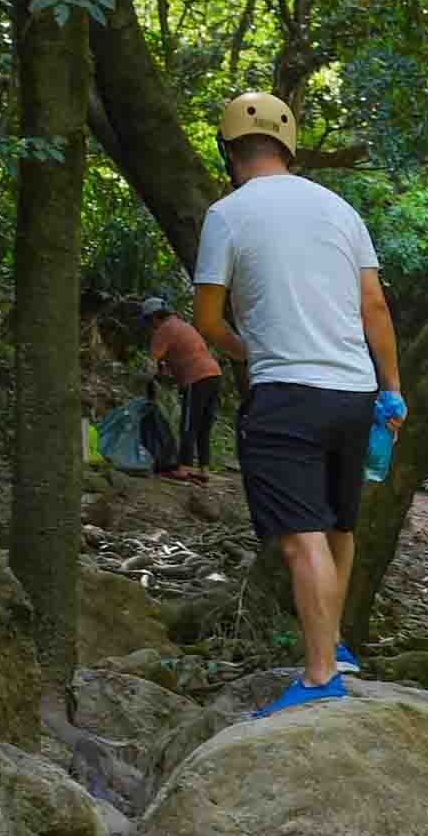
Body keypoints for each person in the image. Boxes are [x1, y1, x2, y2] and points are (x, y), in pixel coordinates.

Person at [190, 92, 403, 714]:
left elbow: (206, 318)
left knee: (299, 537)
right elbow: (375, 308)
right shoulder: (339, 209)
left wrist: (243, 348)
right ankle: (334, 648)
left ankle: (317, 677)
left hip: (286, 393)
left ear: (230, 152)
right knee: (339, 525)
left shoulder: (227, 215)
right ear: (289, 146)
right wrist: (391, 389)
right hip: (355, 392)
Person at [139, 295, 221, 479]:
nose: (150, 326)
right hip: (214, 375)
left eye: (148, 321)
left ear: (153, 317)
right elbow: (177, 361)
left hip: (196, 377)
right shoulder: (182, 325)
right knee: (203, 426)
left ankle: (184, 467)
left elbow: (150, 365)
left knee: (188, 424)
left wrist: (143, 380)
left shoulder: (163, 330)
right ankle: (203, 469)